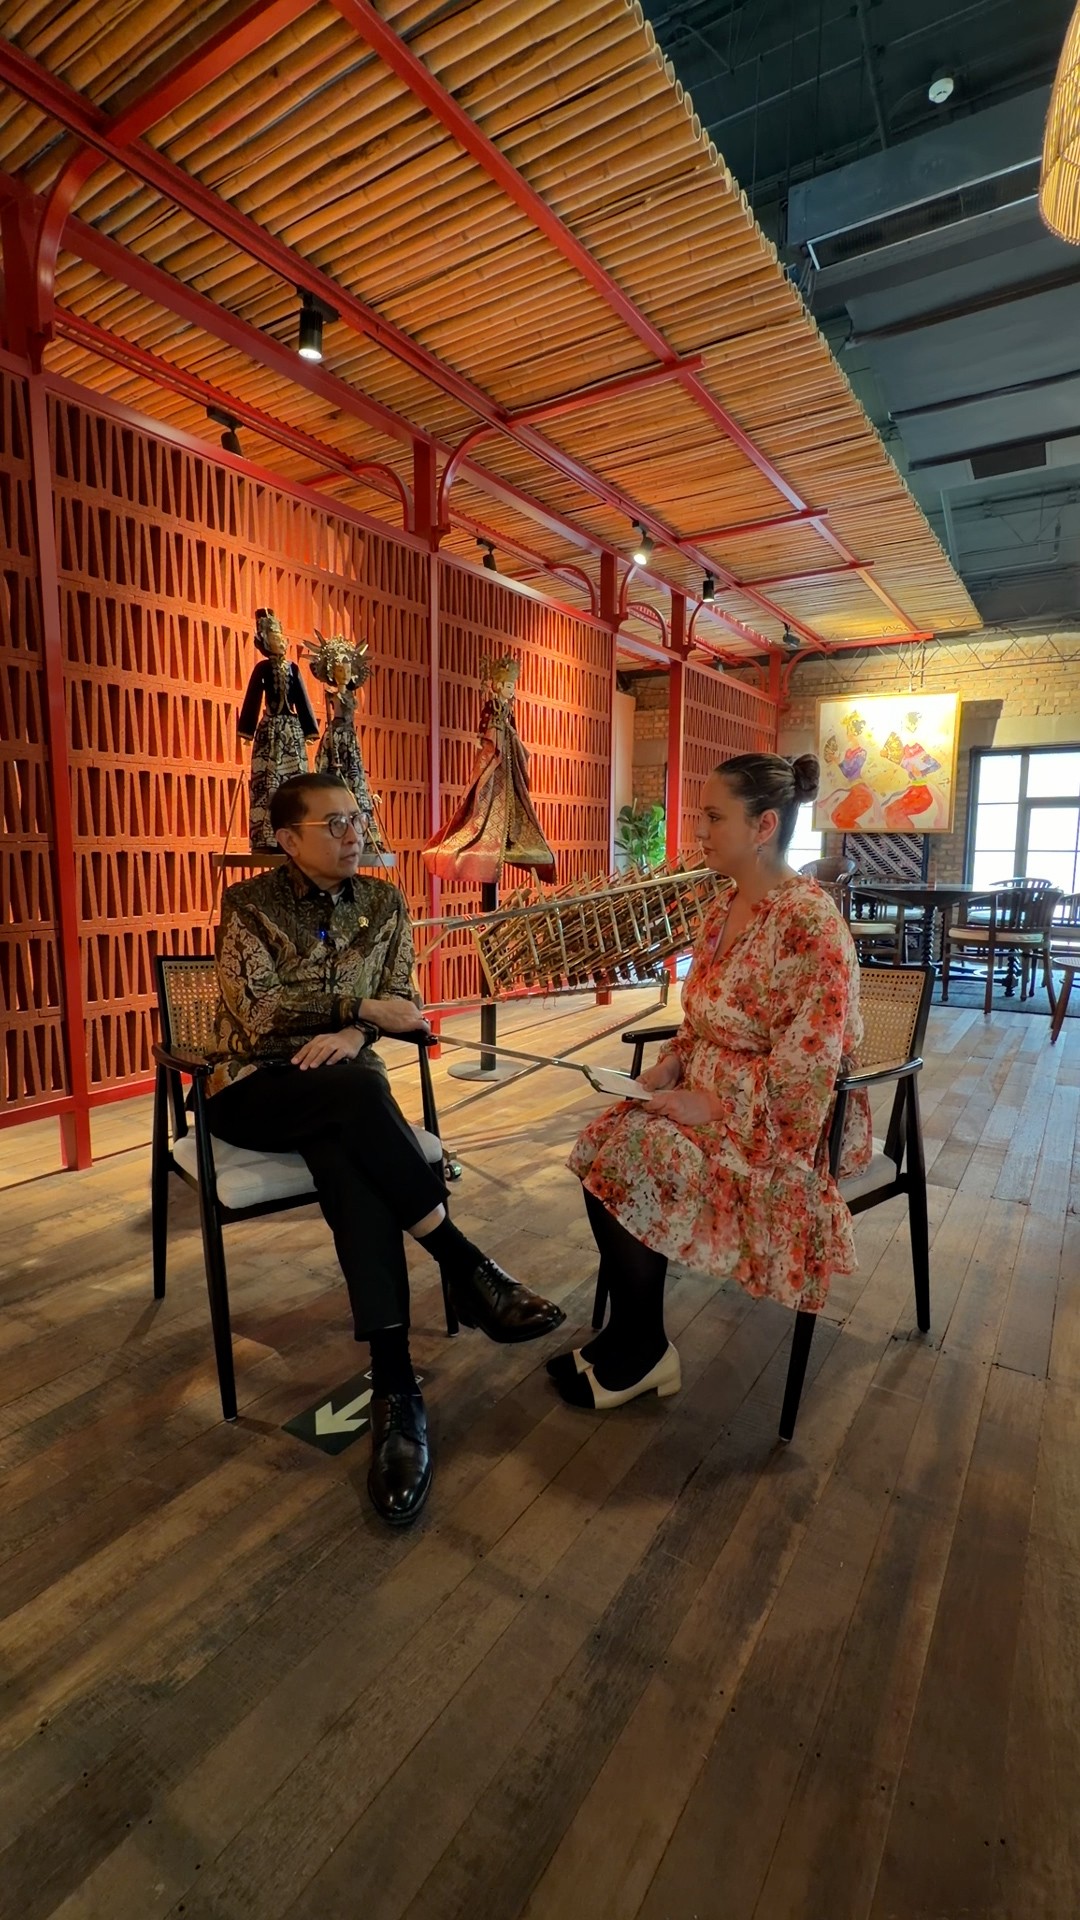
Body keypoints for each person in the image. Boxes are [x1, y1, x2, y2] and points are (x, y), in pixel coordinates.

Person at [206, 771, 565, 1524]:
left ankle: (397, 1387)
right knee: (358, 1098)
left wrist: (356, 1031)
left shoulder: (385, 902)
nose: (354, 834)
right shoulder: (248, 905)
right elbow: (257, 1009)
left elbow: (404, 1002)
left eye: (357, 818)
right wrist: (358, 1006)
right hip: (254, 1089)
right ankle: (465, 1266)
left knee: (352, 1148)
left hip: (346, 1096)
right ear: (288, 839)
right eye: (334, 823)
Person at [551, 752, 871, 1411]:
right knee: (602, 1143)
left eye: (714, 817)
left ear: (764, 826)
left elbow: (805, 1078)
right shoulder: (724, 907)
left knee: (636, 1153)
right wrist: (671, 1063)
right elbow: (701, 1018)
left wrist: (714, 1102)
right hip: (702, 1100)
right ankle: (633, 1335)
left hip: (775, 1130)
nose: (699, 830)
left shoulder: (810, 926)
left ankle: (643, 1349)